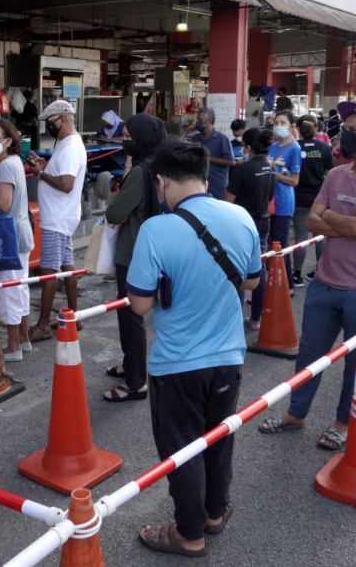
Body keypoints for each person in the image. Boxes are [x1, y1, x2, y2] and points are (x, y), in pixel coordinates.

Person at [127, 142, 261, 559]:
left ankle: (189, 534)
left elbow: (139, 304)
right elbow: (253, 282)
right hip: (229, 357)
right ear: (205, 176)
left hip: (177, 364)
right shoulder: (240, 217)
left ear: (163, 180)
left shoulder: (156, 229)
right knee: (218, 440)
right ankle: (214, 514)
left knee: (182, 449)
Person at [258, 102, 356, 451]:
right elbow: (312, 222)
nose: (344, 135)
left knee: (355, 363)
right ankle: (296, 413)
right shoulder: (336, 174)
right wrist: (350, 223)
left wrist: (340, 221)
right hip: (324, 282)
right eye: (344, 128)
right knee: (309, 356)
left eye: (354, 130)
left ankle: (343, 423)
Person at [103, 114, 167, 401]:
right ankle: (131, 366)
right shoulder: (159, 164)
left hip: (133, 251)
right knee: (132, 314)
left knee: (130, 315)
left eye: (129, 136)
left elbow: (115, 213)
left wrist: (124, 187)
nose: (124, 140)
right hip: (151, 246)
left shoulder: (141, 171)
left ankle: (135, 382)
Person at [27, 100, 88, 342]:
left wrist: (41, 174)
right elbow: (62, 176)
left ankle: (42, 325)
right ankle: (75, 316)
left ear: (62, 119)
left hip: (58, 217)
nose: (48, 129)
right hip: (62, 215)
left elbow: (66, 184)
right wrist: (43, 168)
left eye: (50, 123)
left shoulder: (71, 146)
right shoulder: (67, 144)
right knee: (65, 266)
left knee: (49, 271)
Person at [0, 119, 34, 362]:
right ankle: (23, 338)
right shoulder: (14, 163)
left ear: (8, 141)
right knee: (20, 287)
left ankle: (13, 347)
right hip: (19, 234)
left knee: (9, 290)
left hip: (8, 238)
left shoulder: (5, 167)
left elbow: (3, 204)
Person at [225, 127, 274, 330]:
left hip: (242, 225)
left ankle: (235, 319)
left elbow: (228, 202)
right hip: (264, 221)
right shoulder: (271, 167)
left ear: (247, 147)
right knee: (258, 269)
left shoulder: (242, 169)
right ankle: (256, 319)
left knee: (237, 270)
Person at [291, 117, 333, 287]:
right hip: (319, 198)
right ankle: (320, 271)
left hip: (299, 197)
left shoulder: (295, 147)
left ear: (299, 131)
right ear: (315, 131)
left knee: (300, 237)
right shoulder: (323, 147)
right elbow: (329, 172)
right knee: (319, 237)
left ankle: (297, 275)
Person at [267, 113, 301, 286]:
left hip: (283, 203)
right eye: (276, 123)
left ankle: (286, 286)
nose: (278, 125)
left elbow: (295, 181)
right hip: (268, 201)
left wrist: (275, 174)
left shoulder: (295, 149)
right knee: (269, 245)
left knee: (279, 245)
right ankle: (271, 286)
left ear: (291, 126)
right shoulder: (273, 147)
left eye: (282, 122)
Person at [189, 108, 234, 199]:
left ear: (210, 120)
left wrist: (208, 159)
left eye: (200, 120)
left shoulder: (221, 138)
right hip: (198, 185)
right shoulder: (195, 138)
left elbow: (231, 162)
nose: (197, 123)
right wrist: (187, 131)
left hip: (217, 185)